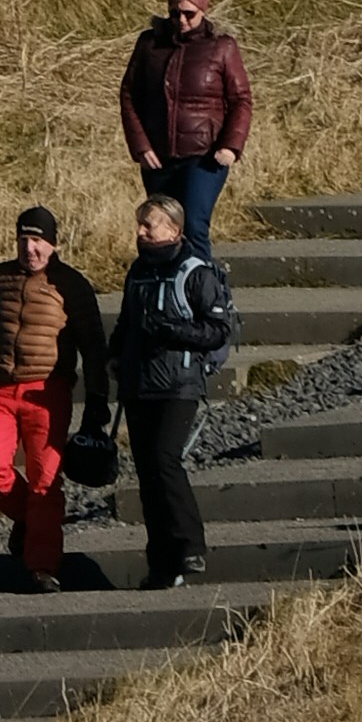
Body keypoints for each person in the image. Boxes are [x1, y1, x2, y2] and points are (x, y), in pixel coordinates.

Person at [0, 202, 110, 588]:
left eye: (39, 241)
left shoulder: (71, 284)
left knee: (45, 480)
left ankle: (43, 566)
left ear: (54, 245)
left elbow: (94, 346)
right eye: (25, 239)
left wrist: (96, 402)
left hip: (49, 390)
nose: (31, 249)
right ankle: (29, 519)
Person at [107, 191, 236, 589]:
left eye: (149, 224)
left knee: (165, 460)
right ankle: (162, 561)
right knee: (147, 472)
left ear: (174, 230)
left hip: (179, 385)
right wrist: (115, 358)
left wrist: (175, 332)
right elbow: (127, 323)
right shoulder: (137, 271)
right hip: (139, 383)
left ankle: (190, 545)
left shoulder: (196, 272)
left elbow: (218, 332)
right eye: (140, 224)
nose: (141, 232)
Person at [119, 0, 253, 251]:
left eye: (189, 14)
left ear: (203, 10)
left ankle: (204, 292)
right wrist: (141, 146)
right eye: (174, 13)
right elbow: (129, 95)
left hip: (204, 157)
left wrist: (230, 146)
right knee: (159, 230)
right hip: (158, 157)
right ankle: (165, 292)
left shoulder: (222, 47)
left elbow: (241, 99)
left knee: (192, 226)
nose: (181, 20)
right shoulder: (149, 45)